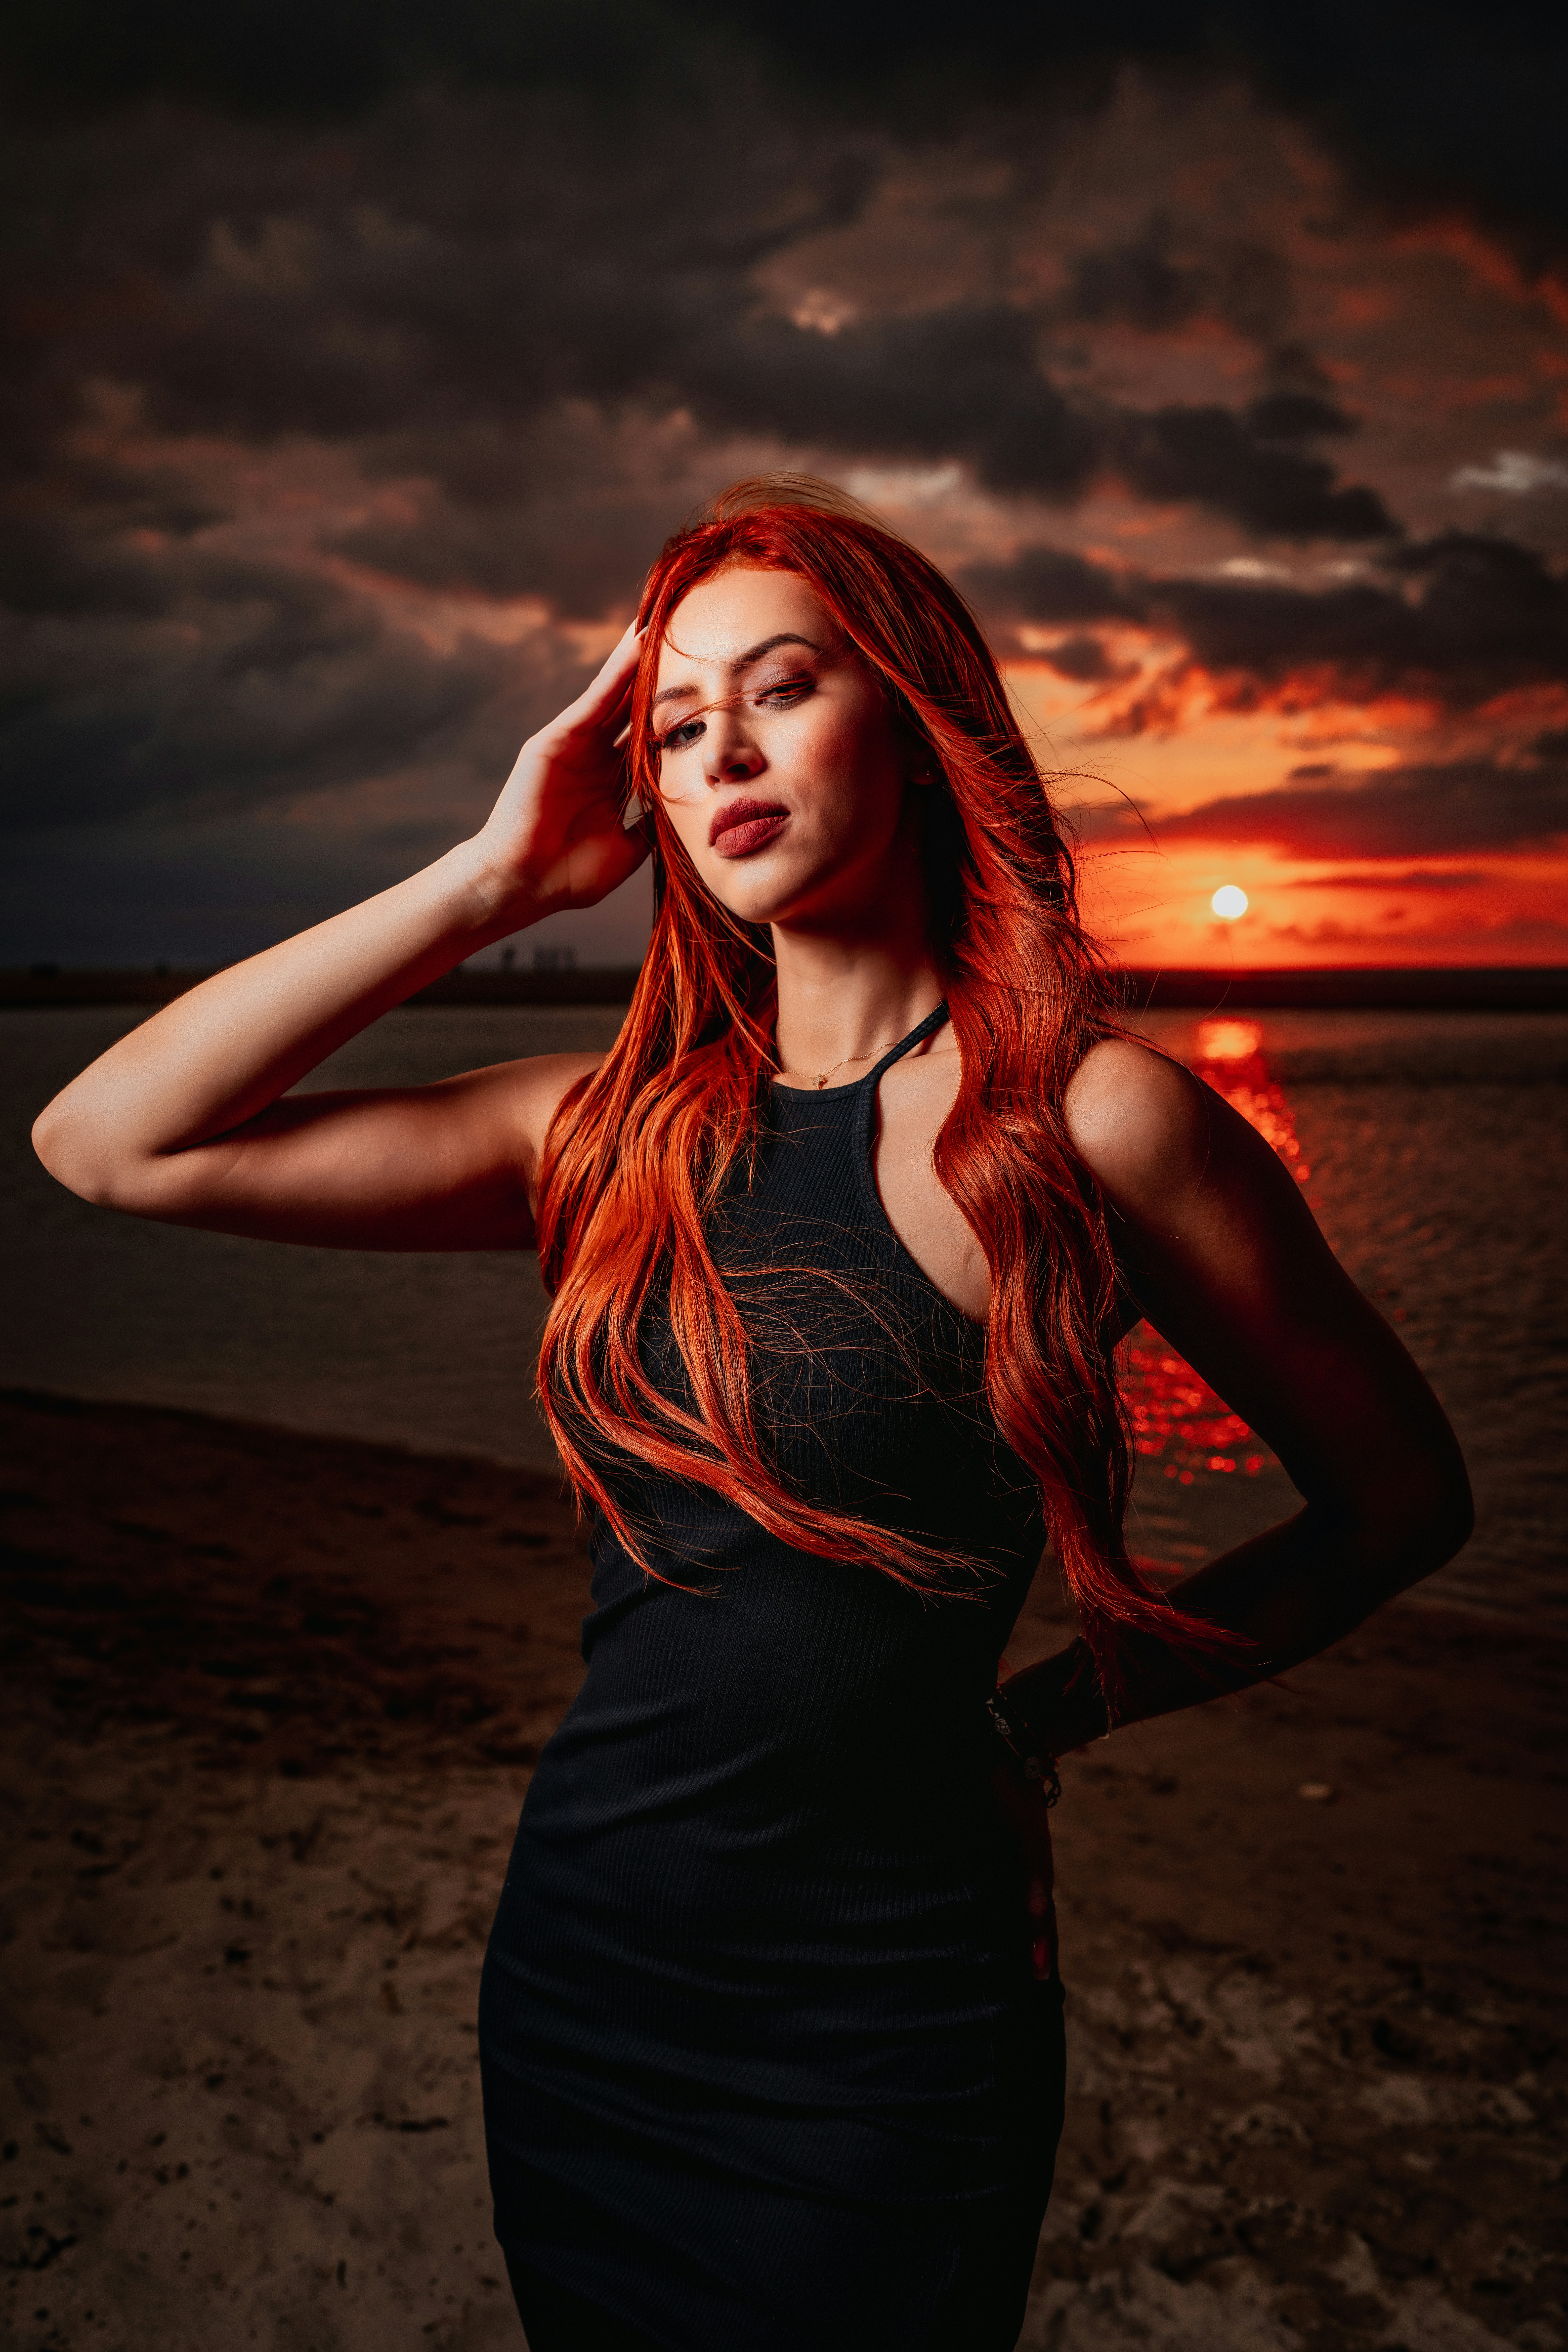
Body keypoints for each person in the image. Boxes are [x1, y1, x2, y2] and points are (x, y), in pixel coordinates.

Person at [32, 476, 1472, 2352]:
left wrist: (1045, 1717)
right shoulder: (618, 1134)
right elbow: (105, 1142)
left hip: (886, 2025)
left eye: (780, 689)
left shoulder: (1097, 1127)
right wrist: (493, 878)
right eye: (676, 721)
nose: (722, 749)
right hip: (588, 1980)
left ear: (917, 710)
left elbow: (1399, 1504)